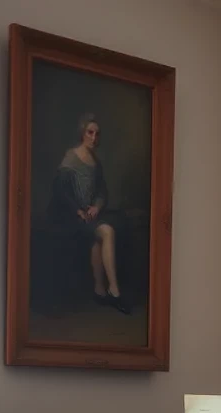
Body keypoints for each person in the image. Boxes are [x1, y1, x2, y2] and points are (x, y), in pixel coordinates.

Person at [49, 113, 130, 314]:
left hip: (89, 215)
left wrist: (96, 206)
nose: (94, 138)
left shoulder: (96, 162)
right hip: (70, 214)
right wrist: (77, 210)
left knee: (99, 238)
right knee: (107, 232)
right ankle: (114, 290)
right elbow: (60, 190)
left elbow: (102, 191)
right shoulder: (71, 156)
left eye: (97, 134)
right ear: (82, 133)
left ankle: (100, 290)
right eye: (90, 133)